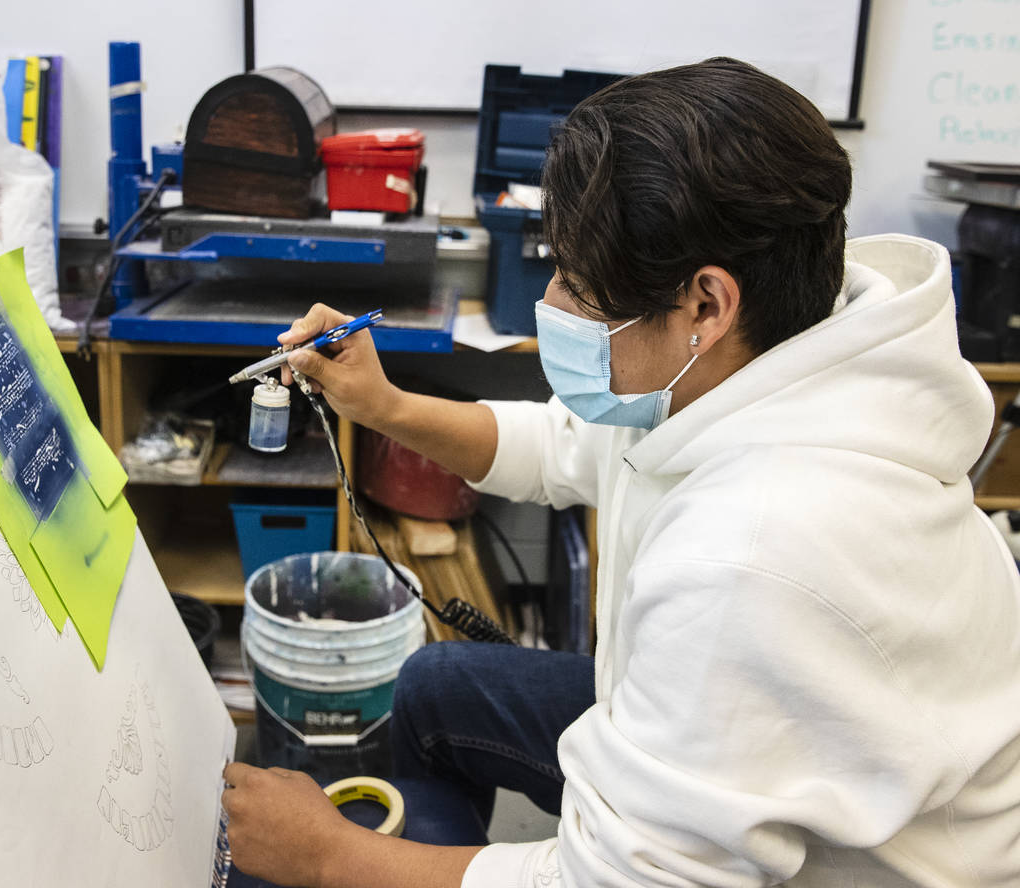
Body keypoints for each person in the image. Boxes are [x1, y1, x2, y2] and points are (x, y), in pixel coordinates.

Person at [220, 57, 1020, 887]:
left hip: (851, 868)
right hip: (761, 744)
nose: (555, 302)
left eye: (575, 283)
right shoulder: (782, 356)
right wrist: (381, 404)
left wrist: (327, 856)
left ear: (706, 305)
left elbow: (612, 883)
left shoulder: (753, 557)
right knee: (437, 682)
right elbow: (564, 448)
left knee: (293, 859)